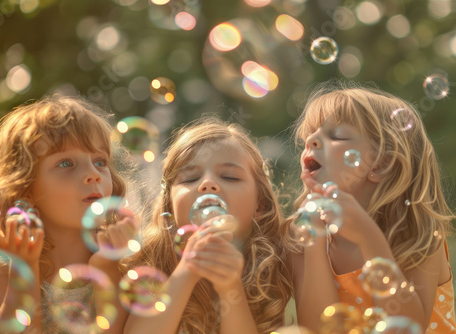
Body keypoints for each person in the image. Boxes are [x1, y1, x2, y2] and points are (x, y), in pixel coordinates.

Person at [0, 96, 136, 333]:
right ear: (25, 188)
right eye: (66, 164)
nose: (93, 174)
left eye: (100, 161)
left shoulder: (123, 262)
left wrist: (107, 267)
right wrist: (25, 266)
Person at [286, 80, 455, 333]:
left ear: (381, 164)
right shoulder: (303, 238)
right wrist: (314, 241)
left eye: (336, 135)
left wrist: (368, 236)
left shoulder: (416, 234)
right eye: (309, 135)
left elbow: (408, 329)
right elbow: (320, 329)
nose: (311, 140)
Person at [121, 117, 294, 334]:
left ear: (260, 204)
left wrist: (230, 288)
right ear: (169, 206)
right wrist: (187, 271)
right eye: (190, 178)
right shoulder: (147, 267)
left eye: (229, 177)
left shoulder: (280, 269)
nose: (207, 183)